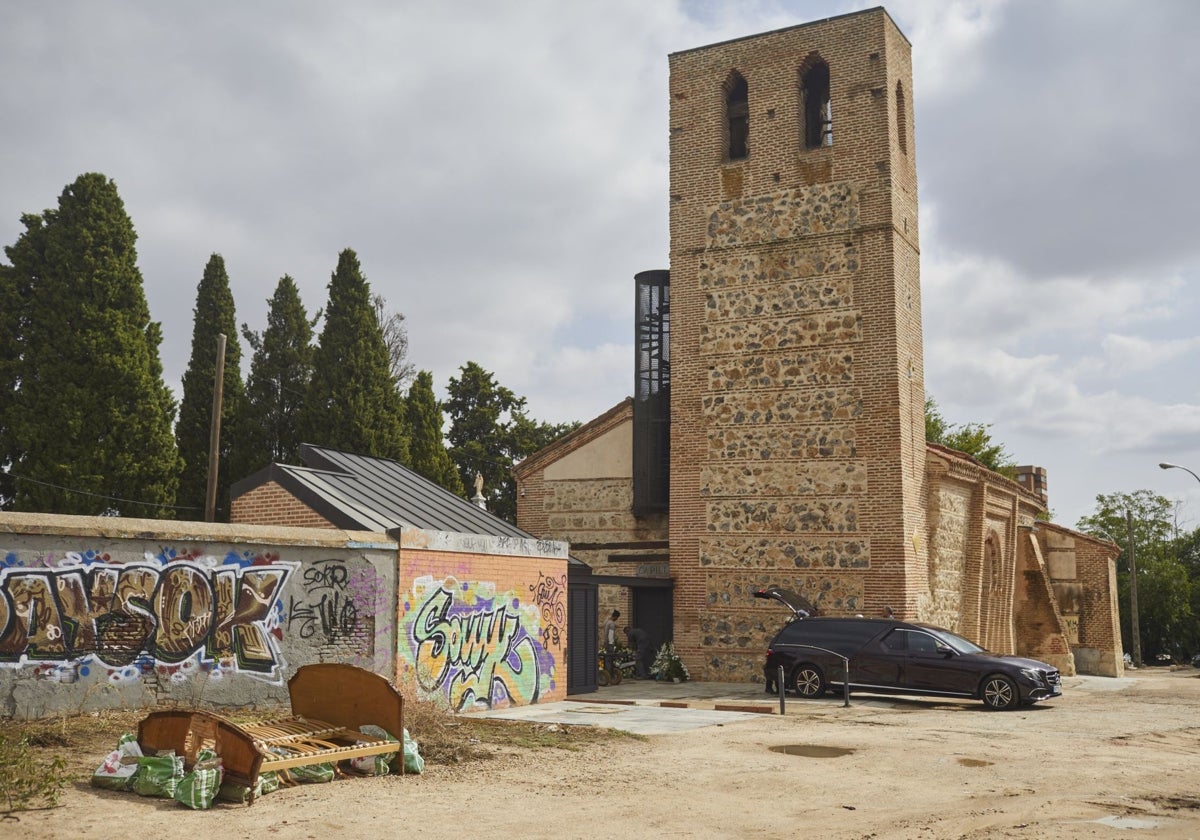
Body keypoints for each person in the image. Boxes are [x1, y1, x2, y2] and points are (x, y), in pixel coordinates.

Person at [602, 610, 620, 679]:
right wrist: (612, 644)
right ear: (615, 617)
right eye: (617, 618)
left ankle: (606, 673)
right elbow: (610, 635)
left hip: (605, 642)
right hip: (609, 643)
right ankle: (609, 675)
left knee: (607, 659)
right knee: (609, 659)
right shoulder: (611, 624)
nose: (617, 619)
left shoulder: (606, 621)